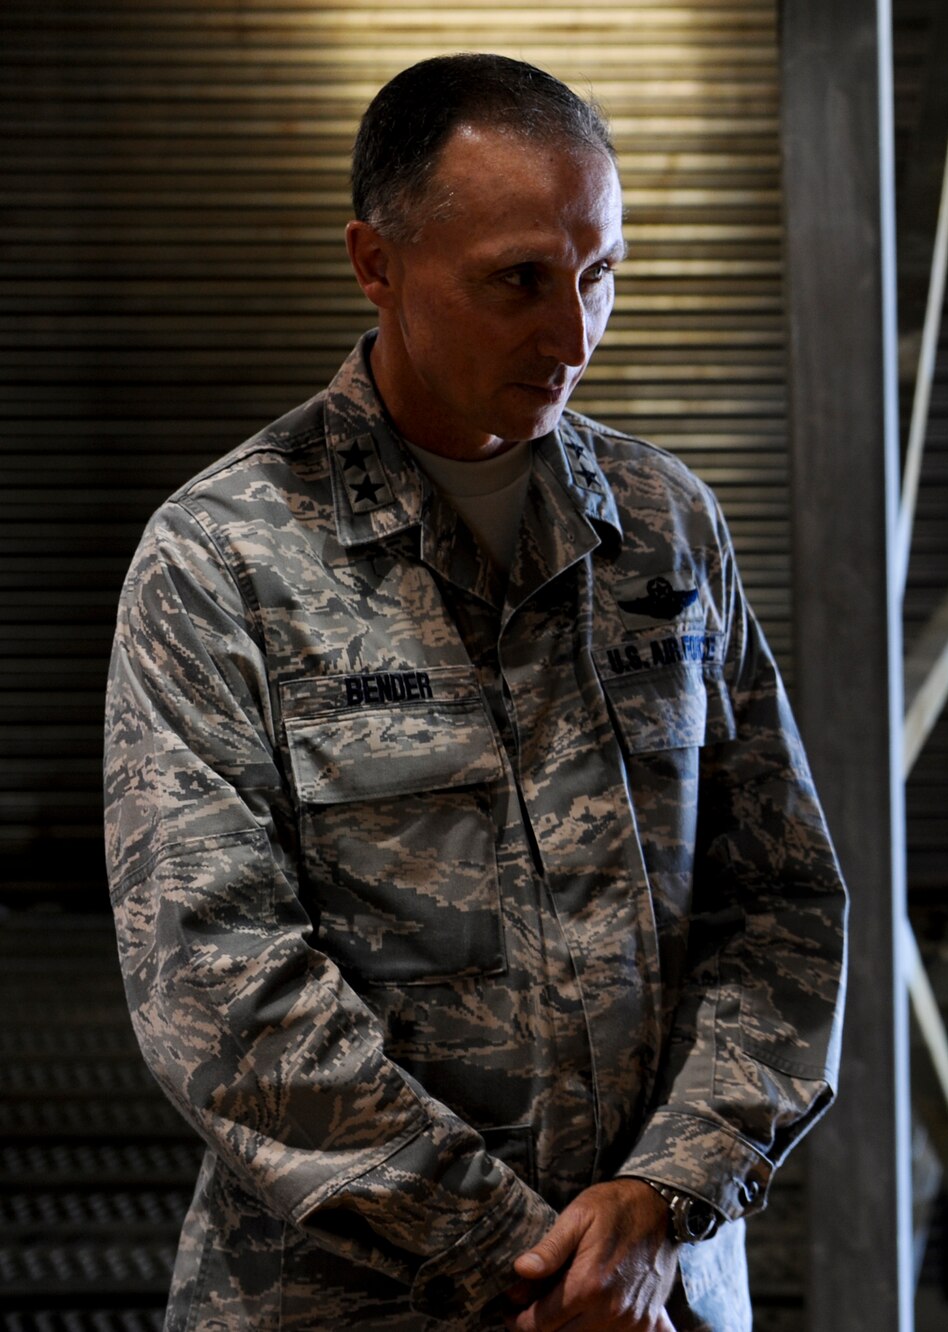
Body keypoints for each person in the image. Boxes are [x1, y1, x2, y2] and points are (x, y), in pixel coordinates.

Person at [102, 54, 847, 1332]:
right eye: (518, 282)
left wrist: (664, 1197)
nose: (572, 335)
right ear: (374, 262)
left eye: (600, 275)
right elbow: (219, 985)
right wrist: (523, 1264)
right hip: (356, 1300)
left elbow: (779, 905)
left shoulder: (664, 527)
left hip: (654, 1288)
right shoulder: (224, 555)